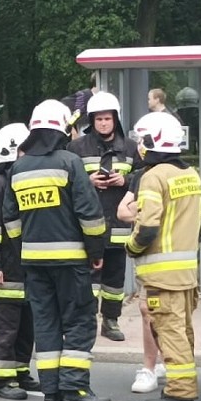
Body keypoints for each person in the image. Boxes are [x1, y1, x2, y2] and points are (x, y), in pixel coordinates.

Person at [3, 99, 112, 401]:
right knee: (78, 321)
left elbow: (10, 220)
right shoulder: (69, 162)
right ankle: (75, 389)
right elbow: (89, 215)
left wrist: (24, 248)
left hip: (33, 263)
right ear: (62, 128)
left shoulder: (18, 168)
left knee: (46, 322)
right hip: (70, 261)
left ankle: (51, 391)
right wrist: (96, 251)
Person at [126, 112, 201, 401]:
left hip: (162, 277)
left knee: (170, 332)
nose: (139, 146)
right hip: (187, 273)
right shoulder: (191, 174)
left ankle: (180, 394)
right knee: (182, 331)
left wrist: (131, 247)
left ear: (152, 142)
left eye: (142, 140)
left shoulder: (153, 176)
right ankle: (183, 386)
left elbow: (147, 228)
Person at [66, 91, 143, 342]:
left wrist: (126, 180)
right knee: (88, 279)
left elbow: (146, 178)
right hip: (88, 227)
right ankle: (85, 321)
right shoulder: (77, 147)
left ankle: (111, 322)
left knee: (114, 281)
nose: (103, 123)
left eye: (107, 119)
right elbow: (66, 180)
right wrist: (87, 181)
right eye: (98, 119)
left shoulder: (130, 148)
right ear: (92, 120)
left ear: (115, 119)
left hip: (119, 226)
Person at [0, 122, 39, 400]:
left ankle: (20, 372)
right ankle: (0, 380)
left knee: (26, 326)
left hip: (23, 271)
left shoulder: (19, 182)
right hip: (3, 273)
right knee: (5, 327)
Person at [116, 171, 166, 393]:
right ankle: (150, 368)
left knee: (175, 313)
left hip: (171, 259)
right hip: (150, 262)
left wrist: (143, 212)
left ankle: (169, 363)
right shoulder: (141, 176)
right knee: (148, 312)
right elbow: (122, 211)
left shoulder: (181, 174)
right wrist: (145, 213)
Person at [60, 73, 99, 138]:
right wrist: (72, 129)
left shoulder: (102, 98)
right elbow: (63, 104)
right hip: (82, 138)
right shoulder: (84, 95)